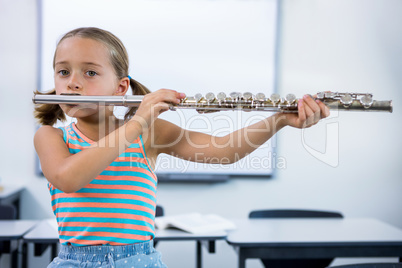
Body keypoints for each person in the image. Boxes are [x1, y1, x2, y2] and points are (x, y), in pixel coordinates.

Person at [34, 27, 330, 268]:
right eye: (63, 72)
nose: (72, 84)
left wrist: (278, 120)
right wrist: (137, 122)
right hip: (74, 262)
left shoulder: (149, 134)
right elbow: (68, 178)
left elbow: (223, 150)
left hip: (138, 262)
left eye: (89, 73)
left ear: (121, 88)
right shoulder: (50, 137)